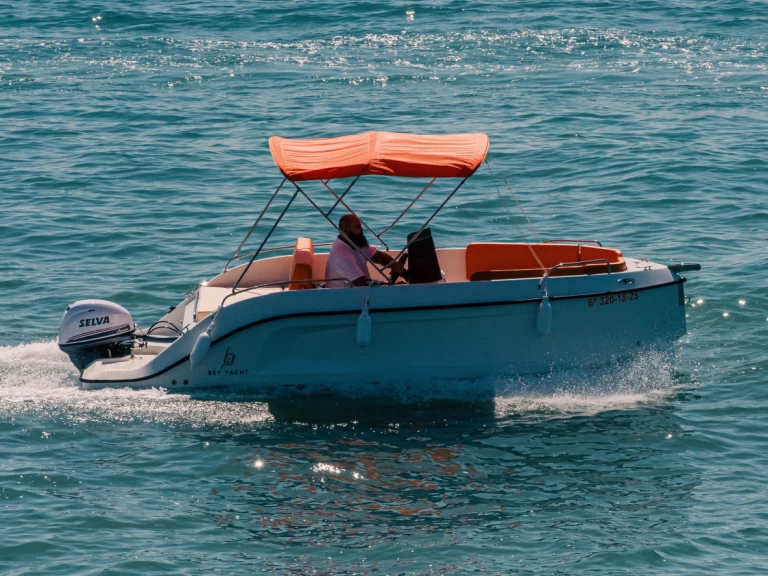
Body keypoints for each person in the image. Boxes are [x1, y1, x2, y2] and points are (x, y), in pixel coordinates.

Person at [325, 214, 405, 288]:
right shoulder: (342, 254)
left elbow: (378, 257)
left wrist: (393, 264)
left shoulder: (354, 243)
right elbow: (362, 284)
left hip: (360, 293)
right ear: (346, 230)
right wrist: (393, 286)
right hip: (344, 298)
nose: (362, 229)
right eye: (358, 226)